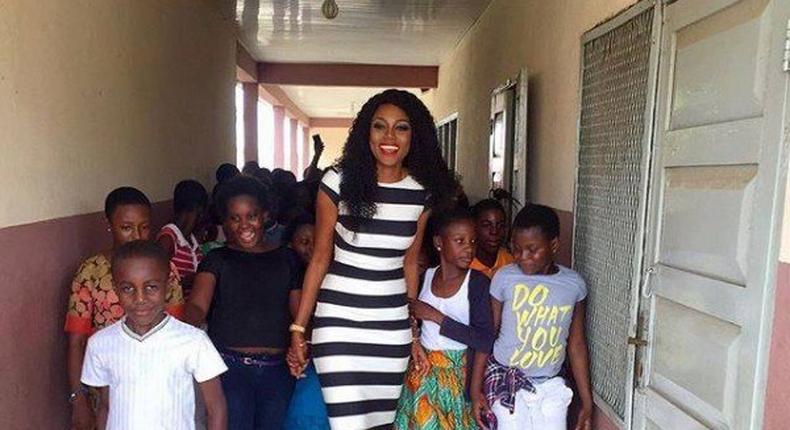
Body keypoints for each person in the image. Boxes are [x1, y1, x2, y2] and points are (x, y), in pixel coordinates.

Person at [287, 89, 460, 429]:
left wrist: (412, 335)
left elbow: (411, 262)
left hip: (390, 327)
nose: (390, 137)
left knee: (380, 425)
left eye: (402, 128)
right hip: (338, 324)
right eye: (380, 126)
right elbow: (320, 258)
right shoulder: (337, 182)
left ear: (416, 136)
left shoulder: (421, 193)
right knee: (347, 424)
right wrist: (298, 327)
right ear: (366, 132)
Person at [185, 175, 302, 430]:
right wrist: (184, 329)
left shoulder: (287, 259)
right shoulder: (217, 259)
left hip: (278, 371)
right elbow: (197, 306)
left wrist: (303, 340)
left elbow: (298, 314)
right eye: (234, 218)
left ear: (266, 215)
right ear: (224, 221)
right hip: (229, 369)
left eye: (252, 216)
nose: (244, 225)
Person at [65, 187, 185, 430]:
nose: (137, 236)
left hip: (159, 386)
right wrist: (79, 400)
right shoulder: (91, 272)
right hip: (107, 389)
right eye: (126, 227)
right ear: (109, 224)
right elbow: (76, 342)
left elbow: (177, 332)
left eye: (144, 227)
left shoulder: (166, 269)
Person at [80, 240, 228, 430]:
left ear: (167, 287)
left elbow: (216, 407)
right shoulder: (100, 344)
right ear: (116, 290)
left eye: (151, 287)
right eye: (128, 288)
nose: (140, 299)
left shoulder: (193, 341)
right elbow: (107, 407)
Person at [478, 204, 592, 430]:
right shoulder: (504, 278)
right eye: (517, 249)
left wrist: (586, 403)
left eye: (532, 249)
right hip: (506, 377)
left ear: (554, 245)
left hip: (550, 383)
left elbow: (576, 344)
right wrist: (475, 390)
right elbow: (488, 334)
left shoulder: (573, 285)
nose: (522, 257)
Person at [394, 208, 494, 430]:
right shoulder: (425, 276)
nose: (469, 248)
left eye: (473, 241)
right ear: (439, 242)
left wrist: (435, 316)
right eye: (460, 241)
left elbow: (484, 339)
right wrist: (415, 340)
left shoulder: (477, 284)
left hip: (458, 380)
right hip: (423, 375)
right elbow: (410, 320)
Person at [283, 215, 331, 430]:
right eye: (304, 242)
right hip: (294, 360)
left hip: (319, 358)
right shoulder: (286, 276)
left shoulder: (335, 276)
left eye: (316, 241)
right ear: (289, 245)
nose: (312, 248)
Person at [158, 180, 209, 298]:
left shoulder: (192, 239)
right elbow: (158, 281)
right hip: (176, 311)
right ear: (199, 209)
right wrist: (195, 280)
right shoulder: (168, 238)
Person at [470, 199, 514, 278]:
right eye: (486, 225)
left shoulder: (511, 263)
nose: (494, 232)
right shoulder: (465, 263)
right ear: (474, 227)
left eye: (500, 225)